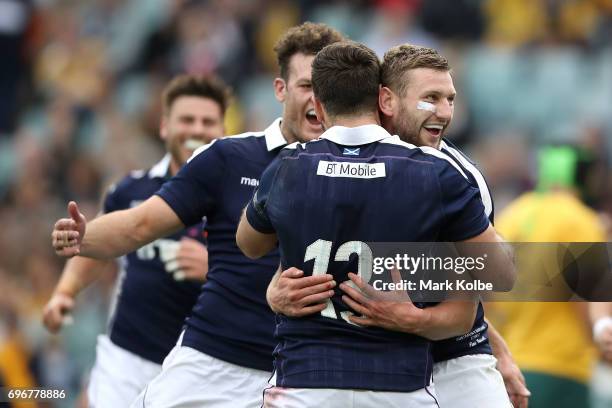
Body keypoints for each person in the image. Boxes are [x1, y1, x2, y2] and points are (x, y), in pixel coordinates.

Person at [50, 22, 345, 408]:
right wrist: (83, 237)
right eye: (307, 85)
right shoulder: (227, 157)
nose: (318, 99)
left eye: (327, 87)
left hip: (307, 374)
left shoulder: (376, 167)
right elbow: (140, 224)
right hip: (214, 363)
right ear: (280, 89)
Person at [236, 41, 513, 407]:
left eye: (451, 99)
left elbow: (486, 285)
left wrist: (406, 303)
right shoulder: (435, 175)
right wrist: (276, 286)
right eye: (431, 98)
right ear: (384, 100)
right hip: (394, 373)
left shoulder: (457, 172)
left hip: (454, 357)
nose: (445, 113)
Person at [42, 74, 229, 407]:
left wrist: (214, 269)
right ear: (164, 127)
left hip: (204, 368)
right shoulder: (130, 190)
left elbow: (265, 277)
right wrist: (64, 292)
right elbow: (97, 251)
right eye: (187, 119)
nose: (197, 130)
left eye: (208, 121)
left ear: (223, 131)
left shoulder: (242, 201)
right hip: (127, 359)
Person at [492, 145, 608, 408]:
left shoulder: (512, 214)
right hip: (562, 367)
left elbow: (487, 297)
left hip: (510, 364)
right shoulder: (580, 220)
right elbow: (584, 298)